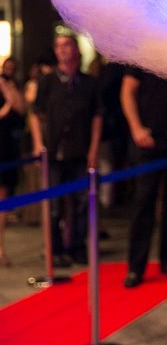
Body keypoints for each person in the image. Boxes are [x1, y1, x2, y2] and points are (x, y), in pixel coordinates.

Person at [29, 33, 102, 267]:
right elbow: (35, 112)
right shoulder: (48, 81)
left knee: (82, 202)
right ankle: (56, 249)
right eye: (58, 46)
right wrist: (38, 143)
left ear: (76, 49)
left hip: (79, 150)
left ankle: (78, 247)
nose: (62, 49)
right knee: (53, 205)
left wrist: (94, 150)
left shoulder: (89, 82)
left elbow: (97, 117)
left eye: (66, 45)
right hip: (53, 151)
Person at [120, 66, 167, 288]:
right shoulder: (143, 54)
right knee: (143, 203)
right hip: (148, 138)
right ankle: (136, 267)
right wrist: (136, 128)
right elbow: (127, 91)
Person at [0, 59, 26, 266]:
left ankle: (0, 247)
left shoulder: (11, 85)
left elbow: (21, 108)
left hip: (6, 148)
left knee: (3, 199)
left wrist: (7, 90)